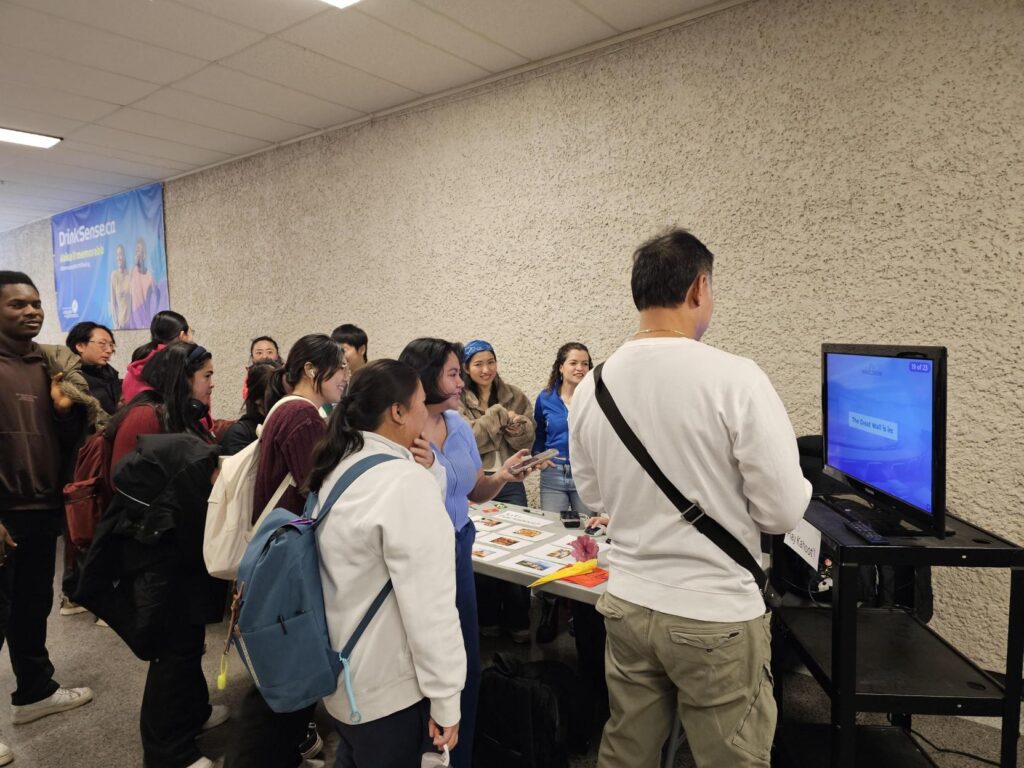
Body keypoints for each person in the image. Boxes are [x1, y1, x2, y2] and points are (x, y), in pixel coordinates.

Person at [569, 229, 811, 768]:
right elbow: (781, 511)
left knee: (626, 748)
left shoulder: (593, 386)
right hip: (715, 612)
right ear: (699, 288)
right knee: (730, 756)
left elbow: (591, 494)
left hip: (628, 602)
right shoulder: (736, 378)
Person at [309, 359, 465, 767]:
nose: (425, 411)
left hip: (345, 676)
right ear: (397, 412)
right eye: (419, 402)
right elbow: (430, 606)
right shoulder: (402, 482)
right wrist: (447, 698)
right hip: (389, 689)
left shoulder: (340, 464)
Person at [398, 337, 538, 768]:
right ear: (425, 379)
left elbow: (475, 488)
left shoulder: (457, 425)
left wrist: (505, 475)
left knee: (466, 663)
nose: (462, 382)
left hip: (459, 545)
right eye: (454, 373)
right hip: (419, 557)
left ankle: (459, 755)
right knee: (424, 667)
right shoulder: (401, 433)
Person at [225, 333, 350, 768]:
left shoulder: (286, 408)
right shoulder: (303, 416)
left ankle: (283, 752)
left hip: (277, 548)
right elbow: (317, 485)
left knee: (286, 657)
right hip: (288, 554)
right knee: (288, 659)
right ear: (313, 370)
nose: (346, 378)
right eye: (341, 369)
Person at [102, 341, 225, 768]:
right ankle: (167, 752)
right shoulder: (146, 414)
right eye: (206, 375)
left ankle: (193, 715)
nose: (213, 383)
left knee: (188, 645)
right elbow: (128, 484)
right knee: (171, 653)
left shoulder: (183, 415)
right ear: (183, 377)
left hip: (183, 548)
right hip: (159, 552)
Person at [0, 271, 93, 765]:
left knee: (32, 605)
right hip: (2, 512)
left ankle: (34, 693)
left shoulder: (48, 365)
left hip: (40, 508)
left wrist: (62, 412)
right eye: (18, 305)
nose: (32, 311)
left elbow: (65, 438)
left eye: (36, 303)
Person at [457, 339, 535, 643]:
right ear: (466, 368)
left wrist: (516, 430)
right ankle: (487, 620)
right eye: (478, 364)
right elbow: (470, 442)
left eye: (490, 362)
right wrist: (500, 417)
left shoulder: (514, 394)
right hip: (476, 483)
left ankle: (518, 622)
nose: (486, 369)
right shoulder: (459, 399)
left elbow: (526, 440)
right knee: (483, 554)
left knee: (519, 550)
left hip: (511, 480)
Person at [532, 342, 595, 644]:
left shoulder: (595, 398)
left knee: (583, 541)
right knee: (554, 539)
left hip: (585, 477)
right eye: (573, 363)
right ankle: (548, 607)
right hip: (554, 476)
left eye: (584, 363)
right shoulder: (545, 399)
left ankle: (577, 610)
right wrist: (540, 458)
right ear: (560, 366)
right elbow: (539, 435)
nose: (580, 368)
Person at [123, 310, 192, 403]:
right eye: (191, 333)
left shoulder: (138, 361)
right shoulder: (177, 364)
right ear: (182, 336)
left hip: (135, 415)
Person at [221, 362, 278, 457]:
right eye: (275, 392)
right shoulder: (239, 434)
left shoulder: (282, 427)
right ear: (257, 398)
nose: (281, 397)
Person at [65, 321, 122, 415]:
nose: (109, 350)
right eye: (102, 343)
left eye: (111, 345)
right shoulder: (71, 379)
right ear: (80, 346)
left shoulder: (110, 373)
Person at [129, 237, 159, 328]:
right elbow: (129, 297)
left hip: (146, 321)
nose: (137, 253)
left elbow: (157, 295)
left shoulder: (149, 276)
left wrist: (153, 313)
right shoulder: (132, 271)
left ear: (144, 254)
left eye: (140, 251)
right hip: (134, 321)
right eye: (136, 250)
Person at [241, 336, 282, 400]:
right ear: (252, 357)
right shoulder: (250, 379)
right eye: (259, 353)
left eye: (270, 352)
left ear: (277, 355)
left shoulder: (285, 376)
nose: (264, 356)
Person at [109, 244, 132, 330]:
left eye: (121, 254)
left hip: (133, 323)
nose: (119, 257)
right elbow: (113, 302)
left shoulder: (130, 274)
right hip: (121, 324)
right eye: (117, 255)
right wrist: (116, 324)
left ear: (125, 257)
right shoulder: (114, 275)